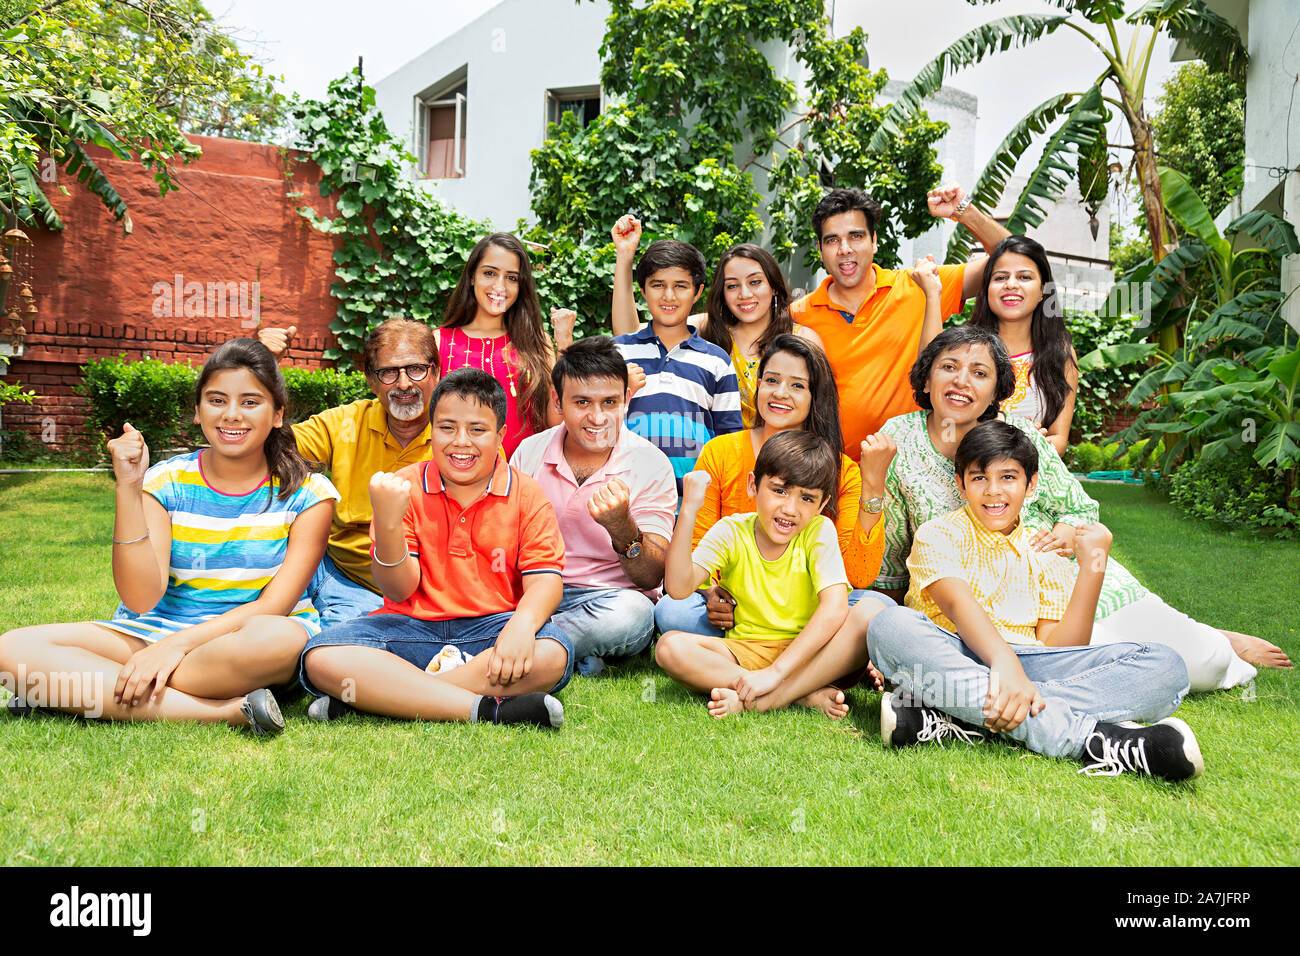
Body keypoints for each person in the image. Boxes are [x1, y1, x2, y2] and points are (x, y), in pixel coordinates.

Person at [876, 324, 1290, 689]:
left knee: (1204, 662)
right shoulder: (899, 439)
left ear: (996, 392)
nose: (962, 381)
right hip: (986, 606)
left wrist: (1068, 533)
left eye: (979, 373)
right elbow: (891, 549)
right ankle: (1177, 636)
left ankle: (1210, 637)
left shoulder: (1020, 435)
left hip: (1062, 579)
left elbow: (1080, 510)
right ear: (926, 379)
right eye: (949, 367)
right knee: (1111, 665)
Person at [0, 339, 338, 733]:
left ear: (277, 414)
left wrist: (174, 648)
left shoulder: (310, 494)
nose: (232, 415)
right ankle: (224, 711)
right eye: (216, 400)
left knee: (280, 640)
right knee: (11, 650)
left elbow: (274, 605)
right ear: (197, 411)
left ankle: (86, 691)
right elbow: (140, 598)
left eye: (250, 402)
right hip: (154, 630)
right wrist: (129, 486)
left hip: (246, 636)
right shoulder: (166, 481)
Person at [869, 421, 1203, 782]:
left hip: (1026, 668)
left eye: (1008, 477)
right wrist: (1003, 662)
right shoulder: (939, 533)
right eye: (979, 478)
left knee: (1165, 666)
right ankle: (1096, 740)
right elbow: (957, 607)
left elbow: (1063, 647)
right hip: (957, 653)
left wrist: (1093, 570)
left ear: (1031, 485)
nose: (993, 492)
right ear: (960, 485)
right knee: (891, 627)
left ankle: (957, 717)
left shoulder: (1043, 550)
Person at [300, 368, 572, 728]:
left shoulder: (527, 492)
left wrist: (520, 628)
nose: (461, 442)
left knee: (552, 652)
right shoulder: (402, 486)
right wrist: (389, 521)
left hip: (491, 631)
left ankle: (387, 699)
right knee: (321, 657)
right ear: (432, 432)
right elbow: (398, 589)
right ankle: (487, 709)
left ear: (500, 435)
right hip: (409, 630)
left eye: (477, 430)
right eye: (447, 428)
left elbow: (546, 581)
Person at [654, 334, 894, 638]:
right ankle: (815, 660)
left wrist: (873, 486)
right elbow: (696, 550)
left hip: (809, 608)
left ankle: (791, 654)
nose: (780, 393)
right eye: (771, 380)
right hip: (736, 605)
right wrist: (709, 592)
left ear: (815, 397)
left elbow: (858, 575)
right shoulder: (721, 452)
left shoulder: (841, 469)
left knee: (878, 608)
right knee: (673, 611)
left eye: (797, 385)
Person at [656, 431, 885, 719]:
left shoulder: (818, 530)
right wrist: (688, 510)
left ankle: (770, 696)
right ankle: (801, 694)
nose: (790, 509)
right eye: (779, 490)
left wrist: (776, 672)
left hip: (811, 654)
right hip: (747, 652)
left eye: (806, 498)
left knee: (872, 611)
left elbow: (835, 607)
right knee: (669, 648)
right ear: (753, 485)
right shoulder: (731, 531)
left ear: (822, 504)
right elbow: (678, 588)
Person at [790, 184, 1011, 459]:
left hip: (917, 475)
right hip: (837, 477)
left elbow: (1015, 260)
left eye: (856, 236)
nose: (845, 249)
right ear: (820, 249)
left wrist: (964, 212)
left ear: (874, 240)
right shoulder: (799, 314)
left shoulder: (918, 285)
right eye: (833, 240)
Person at [510, 336, 677, 676]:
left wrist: (621, 526)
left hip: (609, 601)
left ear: (626, 400)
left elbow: (652, 575)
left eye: (609, 402)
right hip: (535, 590)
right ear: (558, 401)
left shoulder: (652, 463)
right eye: (582, 402)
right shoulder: (530, 452)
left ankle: (517, 644)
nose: (597, 417)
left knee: (634, 617)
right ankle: (568, 656)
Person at [257, 317, 440, 628]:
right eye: (388, 373)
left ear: (436, 371)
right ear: (370, 380)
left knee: (336, 652)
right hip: (332, 570)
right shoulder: (347, 423)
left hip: (409, 592)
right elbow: (265, 447)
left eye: (416, 369)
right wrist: (262, 367)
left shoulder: (460, 435)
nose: (404, 383)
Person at [609, 217, 823, 429]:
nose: (745, 294)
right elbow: (630, 334)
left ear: (774, 286)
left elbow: (820, 410)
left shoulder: (801, 338)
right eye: (732, 286)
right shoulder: (709, 328)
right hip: (725, 454)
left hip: (786, 454)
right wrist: (624, 256)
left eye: (755, 282)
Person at [609, 234, 743, 491]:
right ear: (643, 291)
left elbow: (730, 441)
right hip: (627, 497)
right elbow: (596, 420)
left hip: (695, 504)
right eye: (658, 285)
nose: (668, 296)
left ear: (697, 292)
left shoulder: (717, 361)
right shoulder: (618, 352)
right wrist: (617, 388)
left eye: (680, 286)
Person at [438, 232, 567, 458]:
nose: (500, 286)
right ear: (471, 277)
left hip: (526, 481)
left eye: (512, 278)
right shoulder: (439, 341)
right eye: (489, 273)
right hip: (456, 482)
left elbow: (555, 422)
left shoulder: (538, 343)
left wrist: (564, 346)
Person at [968, 235, 1079, 454]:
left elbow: (1059, 439)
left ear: (1042, 292)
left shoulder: (1060, 354)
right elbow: (946, 422)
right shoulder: (964, 350)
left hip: (1030, 479)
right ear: (987, 288)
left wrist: (1030, 445)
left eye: (1024, 277)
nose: (1011, 284)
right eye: (1000, 278)